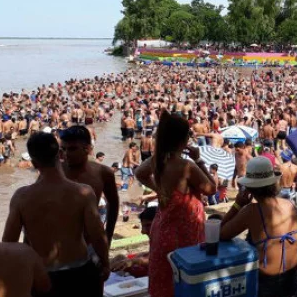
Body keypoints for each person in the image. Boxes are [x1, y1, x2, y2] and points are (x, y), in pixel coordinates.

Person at [2, 132, 110, 297]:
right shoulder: (83, 192)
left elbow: (9, 243)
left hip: (42, 276)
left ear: (33, 162)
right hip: (80, 272)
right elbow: (97, 235)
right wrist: (105, 263)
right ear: (60, 154)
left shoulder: (21, 197)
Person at [134, 112, 216, 297]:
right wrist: (198, 159)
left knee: (164, 281)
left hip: (162, 231)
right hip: (185, 234)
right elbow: (211, 189)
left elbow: (139, 173)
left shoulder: (157, 160)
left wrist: (160, 190)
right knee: (186, 281)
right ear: (184, 139)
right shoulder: (187, 166)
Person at [220, 156, 297, 297]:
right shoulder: (290, 205)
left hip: (268, 283)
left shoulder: (251, 211)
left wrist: (237, 205)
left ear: (250, 188)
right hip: (293, 275)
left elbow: (220, 234)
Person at [60, 126, 119, 244]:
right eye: (63, 149)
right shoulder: (54, 171)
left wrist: (108, 235)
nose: (66, 154)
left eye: (72, 149)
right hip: (60, 241)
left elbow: (113, 204)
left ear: (87, 149)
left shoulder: (103, 173)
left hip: (90, 240)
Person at [111, 206, 157, 278]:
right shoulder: (155, 239)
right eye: (143, 226)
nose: (143, 231)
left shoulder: (167, 241)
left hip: (152, 276)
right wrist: (138, 256)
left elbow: (159, 262)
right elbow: (153, 254)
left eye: (148, 225)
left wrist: (136, 261)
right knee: (119, 258)